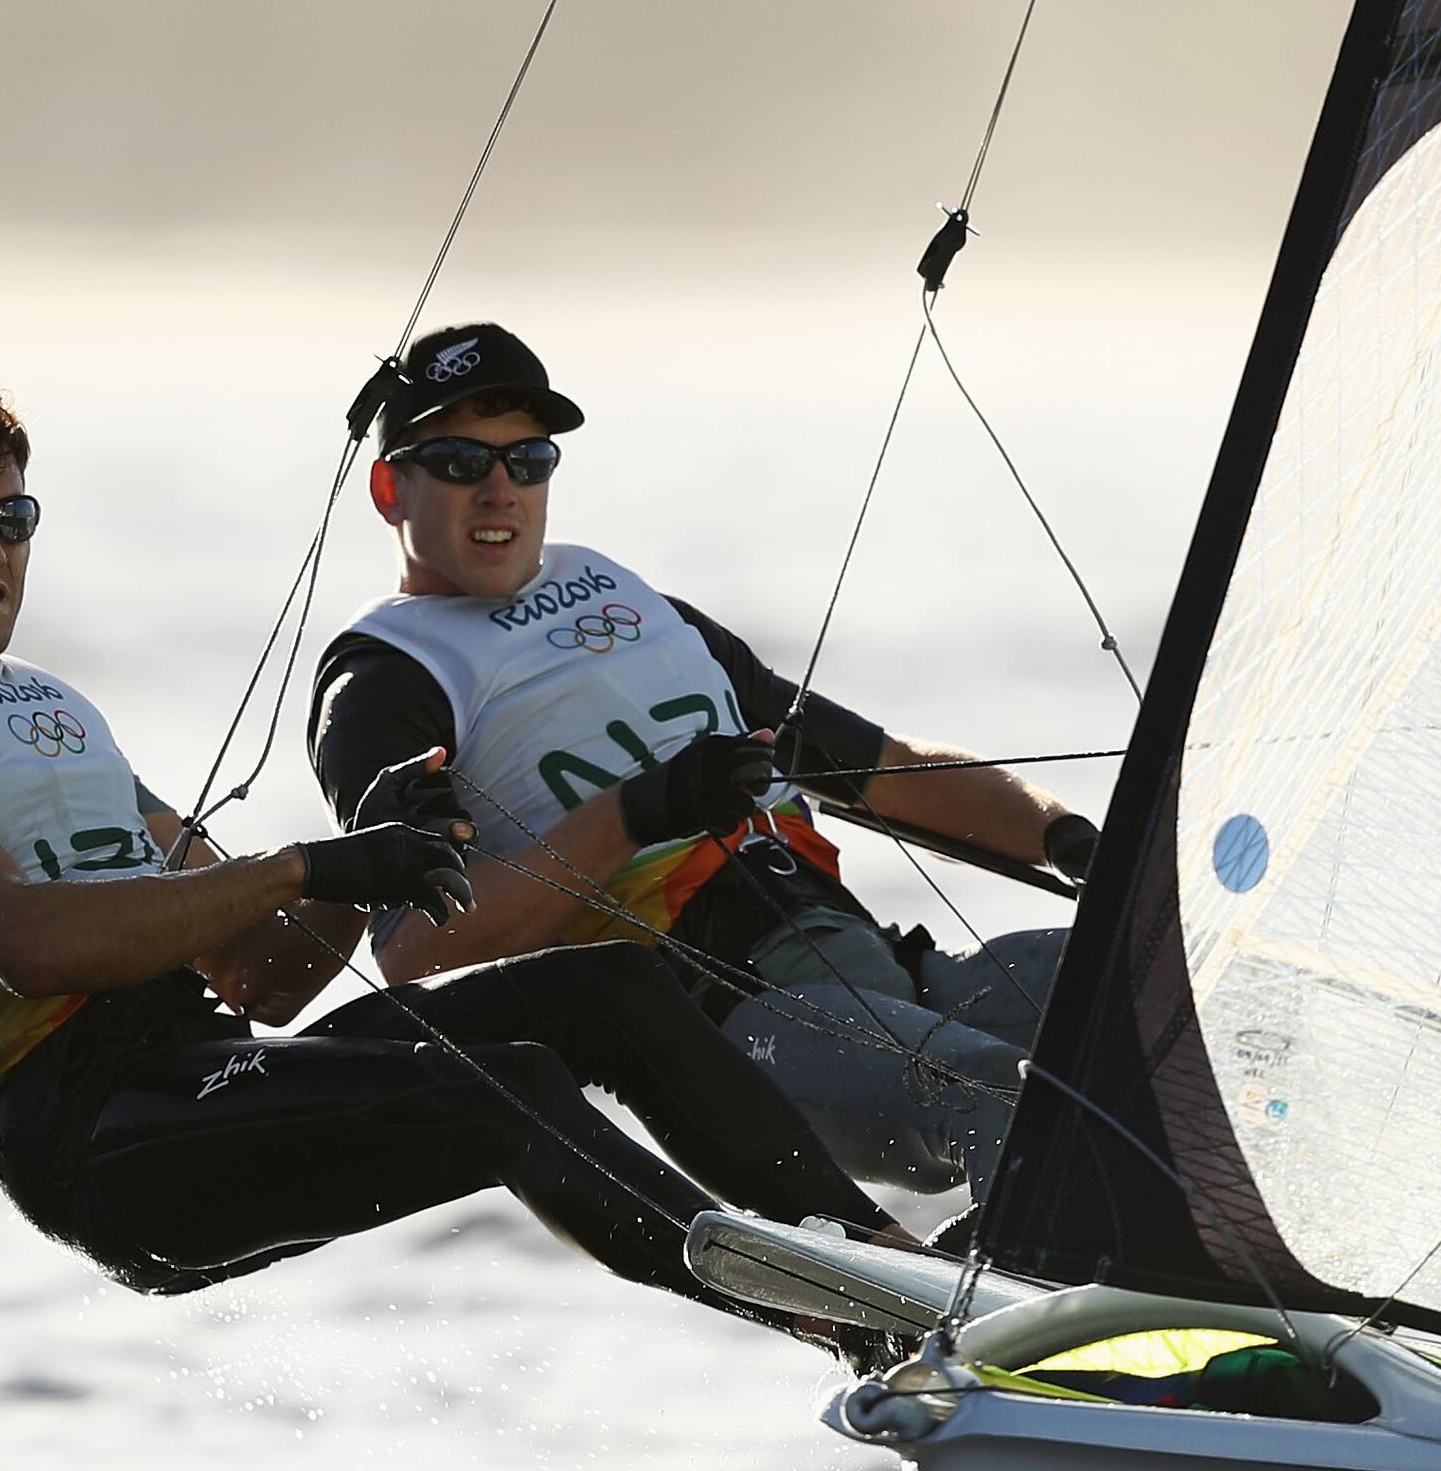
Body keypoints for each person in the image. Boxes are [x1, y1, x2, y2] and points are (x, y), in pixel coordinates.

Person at [0, 369, 901, 1323]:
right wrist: (310, 864)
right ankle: (838, 1314)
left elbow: (264, 977)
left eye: (11, 519)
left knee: (602, 985)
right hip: (96, 1138)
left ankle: (884, 1254)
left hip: (198, 1069)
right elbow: (28, 944)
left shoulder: (49, 714)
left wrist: (382, 848)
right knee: (509, 1088)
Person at [305, 322, 1099, 1202]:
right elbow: (417, 951)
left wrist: (1066, 837)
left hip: (883, 965)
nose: (500, 490)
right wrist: (636, 814)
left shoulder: (636, 603)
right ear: (390, 487)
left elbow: (888, 769)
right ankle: (1073, 1305)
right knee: (1016, 1101)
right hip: (741, 1027)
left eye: (528, 461)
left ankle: (1247, 1254)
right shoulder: (384, 682)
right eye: (458, 460)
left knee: (1188, 974)